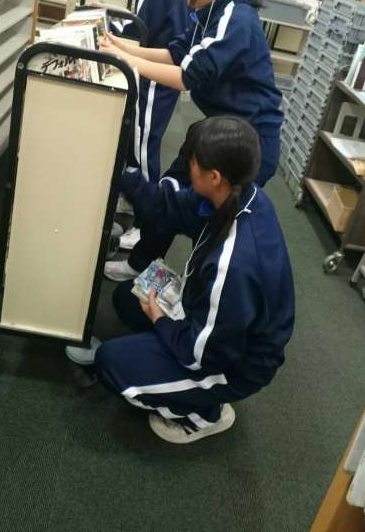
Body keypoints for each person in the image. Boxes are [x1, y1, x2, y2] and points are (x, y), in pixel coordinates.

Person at [95, 116, 295, 444]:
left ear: (214, 176)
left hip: (233, 363)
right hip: (212, 321)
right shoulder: (237, 195)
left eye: (192, 162)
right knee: (127, 299)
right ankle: (183, 379)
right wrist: (119, 169)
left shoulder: (234, 265)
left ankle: (203, 415)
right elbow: (164, 206)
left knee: (110, 363)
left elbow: (203, 354)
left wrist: (161, 321)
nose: (187, 167)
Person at [103, 0, 283, 282]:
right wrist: (122, 48)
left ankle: (195, 293)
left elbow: (187, 76)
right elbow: (176, 52)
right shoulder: (211, 11)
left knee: (207, 217)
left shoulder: (235, 19)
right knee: (171, 187)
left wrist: (127, 62)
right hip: (220, 130)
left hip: (248, 144)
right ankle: (141, 265)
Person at [114, 0, 189, 249]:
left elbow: (139, 23)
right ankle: (138, 203)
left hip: (154, 72)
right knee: (145, 139)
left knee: (144, 144)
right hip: (163, 65)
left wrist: (113, 34)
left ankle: (146, 221)